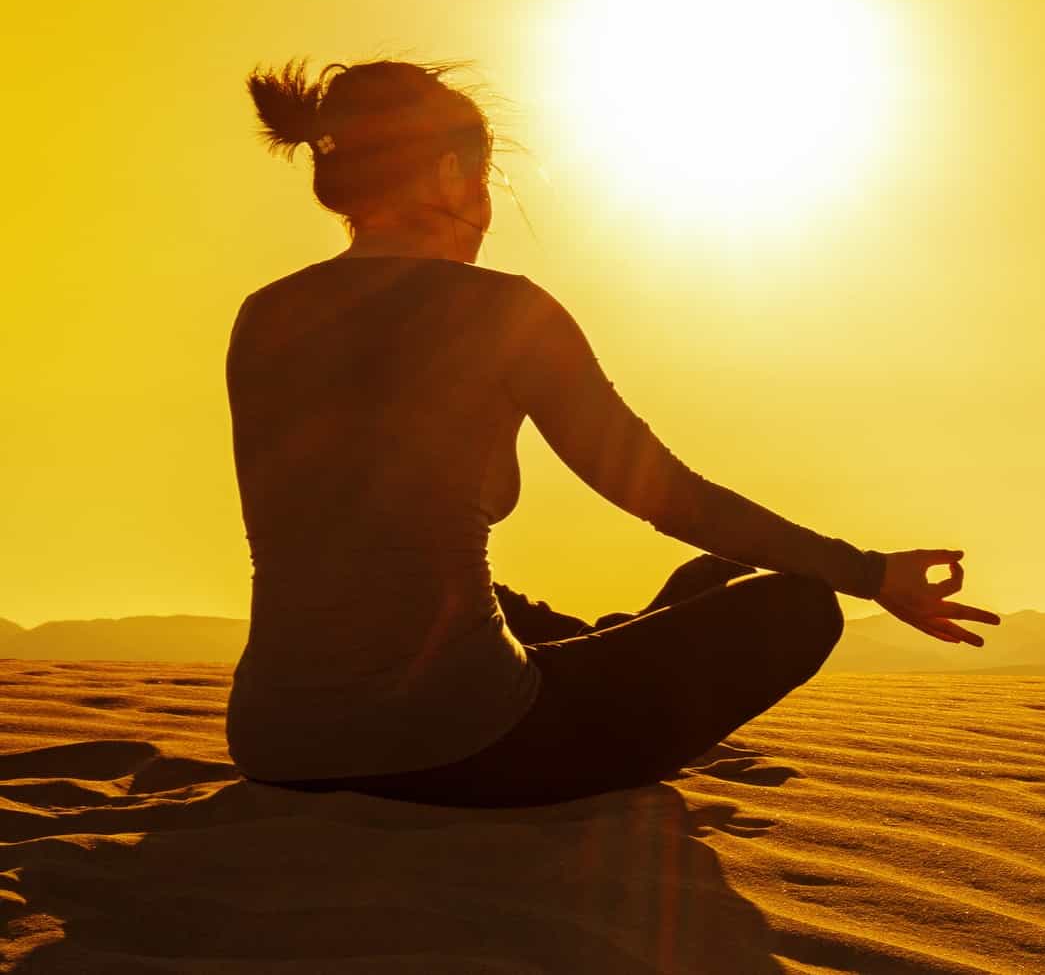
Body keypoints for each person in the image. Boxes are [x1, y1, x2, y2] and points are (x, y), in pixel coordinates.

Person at [224, 56, 1001, 808]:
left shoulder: (265, 315)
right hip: (465, 748)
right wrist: (869, 574)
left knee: (677, 584)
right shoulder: (501, 310)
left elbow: (354, 540)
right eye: (485, 180)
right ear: (449, 175)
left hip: (277, 746)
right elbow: (667, 495)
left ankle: (617, 636)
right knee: (798, 605)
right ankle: (616, 652)